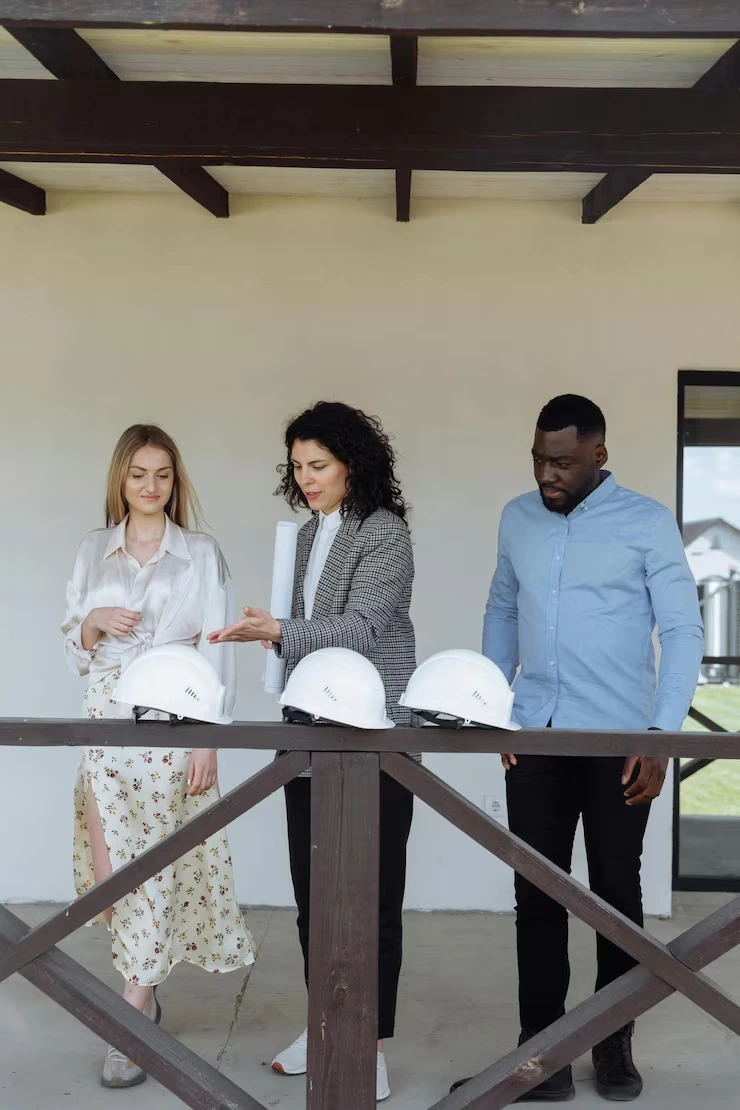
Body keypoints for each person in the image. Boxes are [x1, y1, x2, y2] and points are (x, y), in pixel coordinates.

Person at [453, 395, 703, 1103]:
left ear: (599, 454)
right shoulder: (518, 518)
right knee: (536, 896)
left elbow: (682, 630)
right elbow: (501, 607)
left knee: (616, 898)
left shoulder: (648, 523)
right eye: (538, 458)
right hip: (533, 735)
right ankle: (544, 1059)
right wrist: (493, 706)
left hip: (621, 741)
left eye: (561, 461)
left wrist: (661, 736)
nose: (546, 473)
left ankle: (614, 1043)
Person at [209, 401, 419, 1102]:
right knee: (313, 895)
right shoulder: (301, 537)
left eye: (318, 465)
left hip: (377, 733)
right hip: (308, 729)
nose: (306, 479)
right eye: (297, 467)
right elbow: (301, 630)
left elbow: (361, 629)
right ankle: (326, 1025)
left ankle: (373, 1043)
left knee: (375, 895)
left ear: (352, 462)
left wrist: (278, 631)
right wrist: (271, 636)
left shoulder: (384, 533)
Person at [63, 423, 255, 1089]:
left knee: (157, 866)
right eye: (139, 473)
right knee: (113, 875)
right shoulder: (94, 550)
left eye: (163, 474)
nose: (151, 486)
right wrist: (91, 624)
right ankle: (144, 976)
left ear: (177, 482)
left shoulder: (200, 553)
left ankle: (131, 1011)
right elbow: (72, 646)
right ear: (121, 478)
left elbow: (218, 647)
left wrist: (208, 735)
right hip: (102, 718)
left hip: (172, 720)